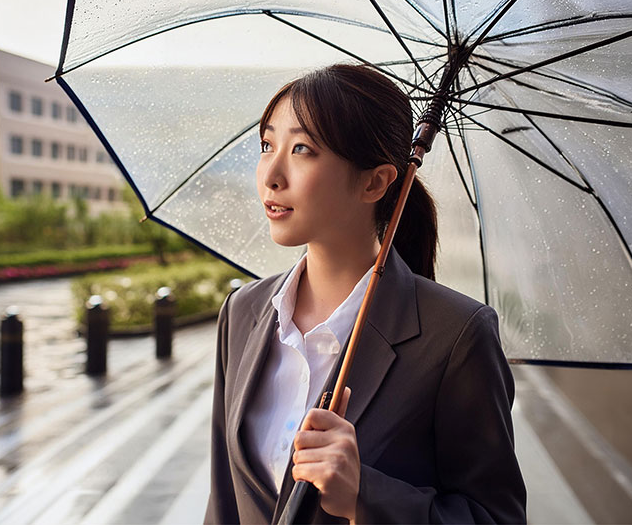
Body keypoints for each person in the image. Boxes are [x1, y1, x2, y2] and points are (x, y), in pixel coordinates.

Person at [204, 63, 526, 524]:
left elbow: (496, 517)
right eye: (266, 145)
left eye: (302, 149)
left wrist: (365, 494)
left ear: (374, 182)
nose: (271, 174)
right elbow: (222, 503)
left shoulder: (455, 337)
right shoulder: (242, 312)